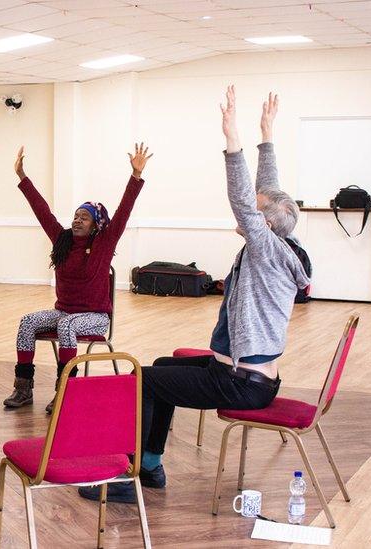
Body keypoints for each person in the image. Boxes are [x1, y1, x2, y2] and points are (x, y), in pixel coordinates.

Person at [80, 87, 310, 504]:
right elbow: (267, 192)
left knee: (144, 381)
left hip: (240, 384)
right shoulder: (279, 244)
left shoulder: (264, 250)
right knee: (163, 366)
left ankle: (133, 476)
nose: (244, 214)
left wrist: (232, 141)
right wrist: (266, 134)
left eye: (253, 212)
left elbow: (245, 200)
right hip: (249, 376)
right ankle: (150, 464)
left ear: (263, 223)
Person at [4, 143, 152, 413]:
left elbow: (123, 212)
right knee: (27, 322)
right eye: (75, 216)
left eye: (84, 217)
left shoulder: (104, 243)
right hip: (64, 312)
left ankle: (65, 391)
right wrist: (23, 178)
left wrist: (136, 176)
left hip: (95, 316)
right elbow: (42, 211)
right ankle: (23, 387)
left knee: (67, 327)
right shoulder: (62, 240)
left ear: (96, 224)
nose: (77, 220)